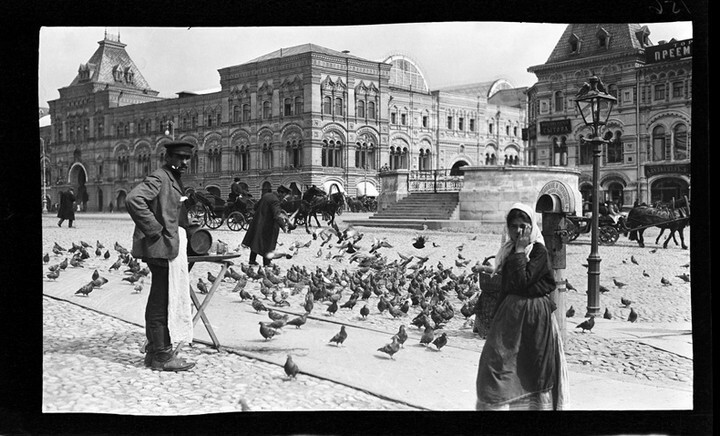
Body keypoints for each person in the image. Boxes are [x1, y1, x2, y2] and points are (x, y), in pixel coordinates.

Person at [475, 203, 568, 410]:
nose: (518, 231)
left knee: (532, 370)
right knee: (495, 367)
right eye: (513, 226)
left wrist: (519, 251)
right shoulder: (507, 251)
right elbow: (508, 286)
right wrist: (495, 319)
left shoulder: (538, 251)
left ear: (531, 226)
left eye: (523, 226)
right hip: (511, 316)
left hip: (535, 319)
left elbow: (521, 281)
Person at [126, 141, 199, 372]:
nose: (185, 162)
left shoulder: (172, 178)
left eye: (187, 158)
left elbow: (169, 208)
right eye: (180, 157)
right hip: (161, 249)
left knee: (160, 298)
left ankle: (154, 352)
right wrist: (155, 229)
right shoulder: (159, 177)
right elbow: (133, 200)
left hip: (167, 248)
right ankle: (162, 355)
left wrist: (185, 221)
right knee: (161, 302)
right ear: (167, 157)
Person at [241, 185, 291, 266]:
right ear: (281, 193)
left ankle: (252, 260)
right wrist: (283, 226)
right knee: (269, 243)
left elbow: (256, 206)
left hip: (258, 223)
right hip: (268, 225)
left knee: (256, 241)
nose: (284, 197)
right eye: (284, 195)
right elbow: (277, 215)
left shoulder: (267, 195)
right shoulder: (275, 201)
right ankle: (267, 262)